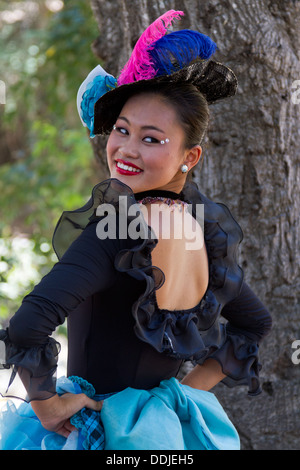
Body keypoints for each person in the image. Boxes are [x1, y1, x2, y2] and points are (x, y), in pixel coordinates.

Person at [0, 10, 272, 450]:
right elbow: (253, 323)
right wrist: (185, 395)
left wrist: (47, 408)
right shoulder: (204, 233)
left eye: (151, 138)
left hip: (98, 434)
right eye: (122, 130)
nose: (125, 149)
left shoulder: (118, 227)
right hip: (168, 434)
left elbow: (28, 324)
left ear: (191, 156)